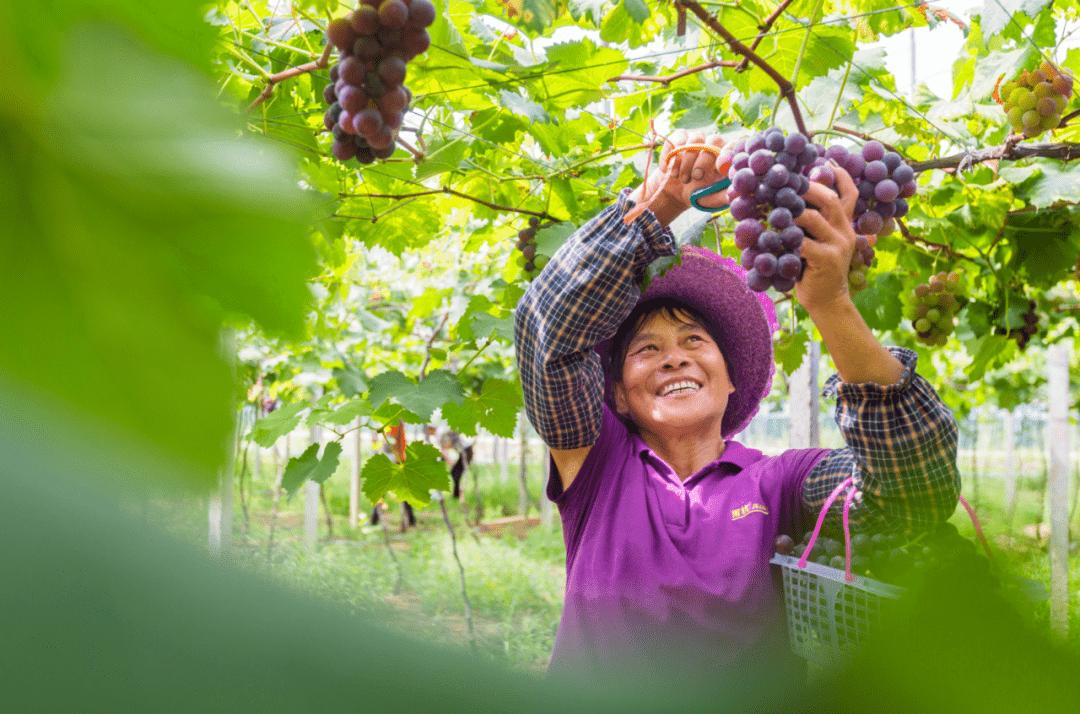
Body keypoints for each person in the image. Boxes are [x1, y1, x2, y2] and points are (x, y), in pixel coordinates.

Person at [513, 130, 961, 678]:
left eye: (694, 342)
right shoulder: (597, 464)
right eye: (647, 350)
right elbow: (546, 331)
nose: (674, 359)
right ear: (619, 399)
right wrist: (660, 201)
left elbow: (913, 490)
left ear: (730, 381)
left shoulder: (780, 480)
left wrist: (831, 303)